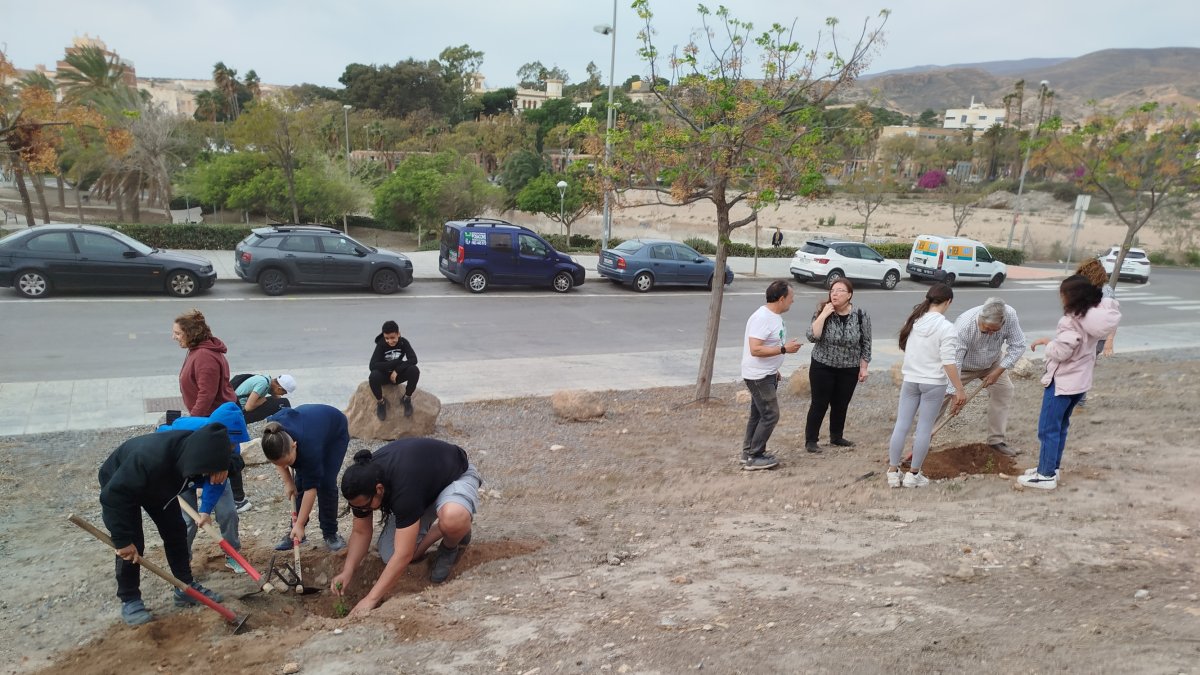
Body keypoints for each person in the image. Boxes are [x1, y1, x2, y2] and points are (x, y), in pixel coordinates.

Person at [333, 439, 483, 616]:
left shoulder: (403, 490)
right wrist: (348, 570)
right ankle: (448, 529)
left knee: (452, 518)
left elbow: (403, 555)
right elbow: (361, 531)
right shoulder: (365, 481)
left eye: (365, 506)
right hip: (422, 491)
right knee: (390, 554)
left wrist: (370, 599)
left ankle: (451, 543)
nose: (362, 511)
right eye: (357, 508)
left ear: (379, 489)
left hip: (454, 478)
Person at [99, 423, 230, 625]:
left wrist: (225, 466)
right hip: (121, 484)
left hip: (161, 485)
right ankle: (130, 599)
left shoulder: (204, 448)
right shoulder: (147, 460)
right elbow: (112, 498)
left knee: (176, 531)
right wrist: (121, 539)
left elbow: (235, 461)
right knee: (133, 544)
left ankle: (184, 587)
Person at [1019, 275, 1121, 490]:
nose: (1061, 298)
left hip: (1062, 382)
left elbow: (1063, 350)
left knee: (1047, 428)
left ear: (1071, 296)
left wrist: (1049, 347)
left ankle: (1045, 476)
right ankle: (1051, 467)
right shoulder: (1091, 320)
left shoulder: (1071, 320)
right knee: (1060, 426)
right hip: (1079, 382)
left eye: (1062, 294)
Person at [886, 283, 967, 489]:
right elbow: (949, 362)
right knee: (924, 428)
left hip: (911, 379)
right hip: (933, 383)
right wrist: (959, 389)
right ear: (948, 302)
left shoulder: (914, 321)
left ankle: (893, 472)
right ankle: (913, 474)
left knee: (902, 425)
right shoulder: (946, 328)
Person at [156, 402, 250, 574]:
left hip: (210, 475)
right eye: (229, 442)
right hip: (181, 476)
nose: (232, 447)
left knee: (228, 513)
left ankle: (233, 555)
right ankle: (183, 561)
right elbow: (159, 441)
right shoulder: (185, 434)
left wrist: (205, 510)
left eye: (233, 443)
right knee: (186, 522)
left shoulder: (232, 443)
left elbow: (216, 481)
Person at [942, 297, 1027, 456]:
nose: (989, 333)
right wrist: (957, 392)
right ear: (980, 318)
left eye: (994, 331)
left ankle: (996, 441)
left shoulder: (1010, 316)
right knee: (941, 396)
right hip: (964, 367)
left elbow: (1019, 345)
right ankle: (923, 439)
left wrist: (998, 371)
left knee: (1004, 391)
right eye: (985, 329)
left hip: (992, 363)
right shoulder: (964, 326)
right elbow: (955, 361)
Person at [261, 404, 350, 552]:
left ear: (294, 446)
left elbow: (311, 490)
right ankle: (295, 532)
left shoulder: (309, 448)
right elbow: (278, 460)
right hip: (311, 426)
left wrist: (300, 524)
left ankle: (330, 533)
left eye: (288, 463)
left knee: (326, 483)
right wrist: (288, 482)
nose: (286, 466)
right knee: (299, 483)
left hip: (334, 432)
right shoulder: (272, 435)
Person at [740, 280, 804, 470]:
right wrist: (784, 349)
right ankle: (755, 456)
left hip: (766, 373)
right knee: (770, 415)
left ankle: (748, 453)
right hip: (758, 376)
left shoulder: (773, 316)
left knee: (758, 414)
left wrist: (774, 367)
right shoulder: (763, 318)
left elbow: (766, 346)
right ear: (782, 298)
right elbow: (755, 349)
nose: (792, 302)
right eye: (791, 298)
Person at [804, 278, 872, 453]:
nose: (835, 293)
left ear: (849, 295)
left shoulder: (860, 314)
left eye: (840, 290)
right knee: (819, 403)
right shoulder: (822, 310)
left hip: (849, 367)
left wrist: (863, 367)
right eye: (832, 290)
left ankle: (836, 436)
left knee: (841, 403)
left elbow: (866, 342)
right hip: (823, 364)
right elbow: (812, 336)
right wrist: (824, 314)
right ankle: (811, 440)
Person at [173, 309, 236, 417]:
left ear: (190, 334)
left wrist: (193, 419)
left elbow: (206, 394)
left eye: (178, 333)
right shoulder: (197, 350)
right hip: (209, 415)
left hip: (213, 417)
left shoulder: (204, 356)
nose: (173, 337)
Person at [1074, 258, 1117, 408]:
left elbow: (1112, 317)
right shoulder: (1082, 289)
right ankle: (1076, 400)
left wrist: (1109, 341)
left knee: (1083, 368)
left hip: (1097, 339)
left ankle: (1079, 401)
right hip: (1080, 335)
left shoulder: (1105, 292)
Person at [369, 320, 420, 421]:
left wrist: (397, 370)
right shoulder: (381, 344)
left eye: (392, 337)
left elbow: (413, 359)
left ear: (398, 334)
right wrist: (395, 363)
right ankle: (381, 402)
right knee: (373, 376)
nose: (390, 341)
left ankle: (406, 398)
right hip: (384, 376)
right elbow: (372, 365)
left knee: (414, 370)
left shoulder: (403, 342)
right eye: (387, 338)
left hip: (397, 375)